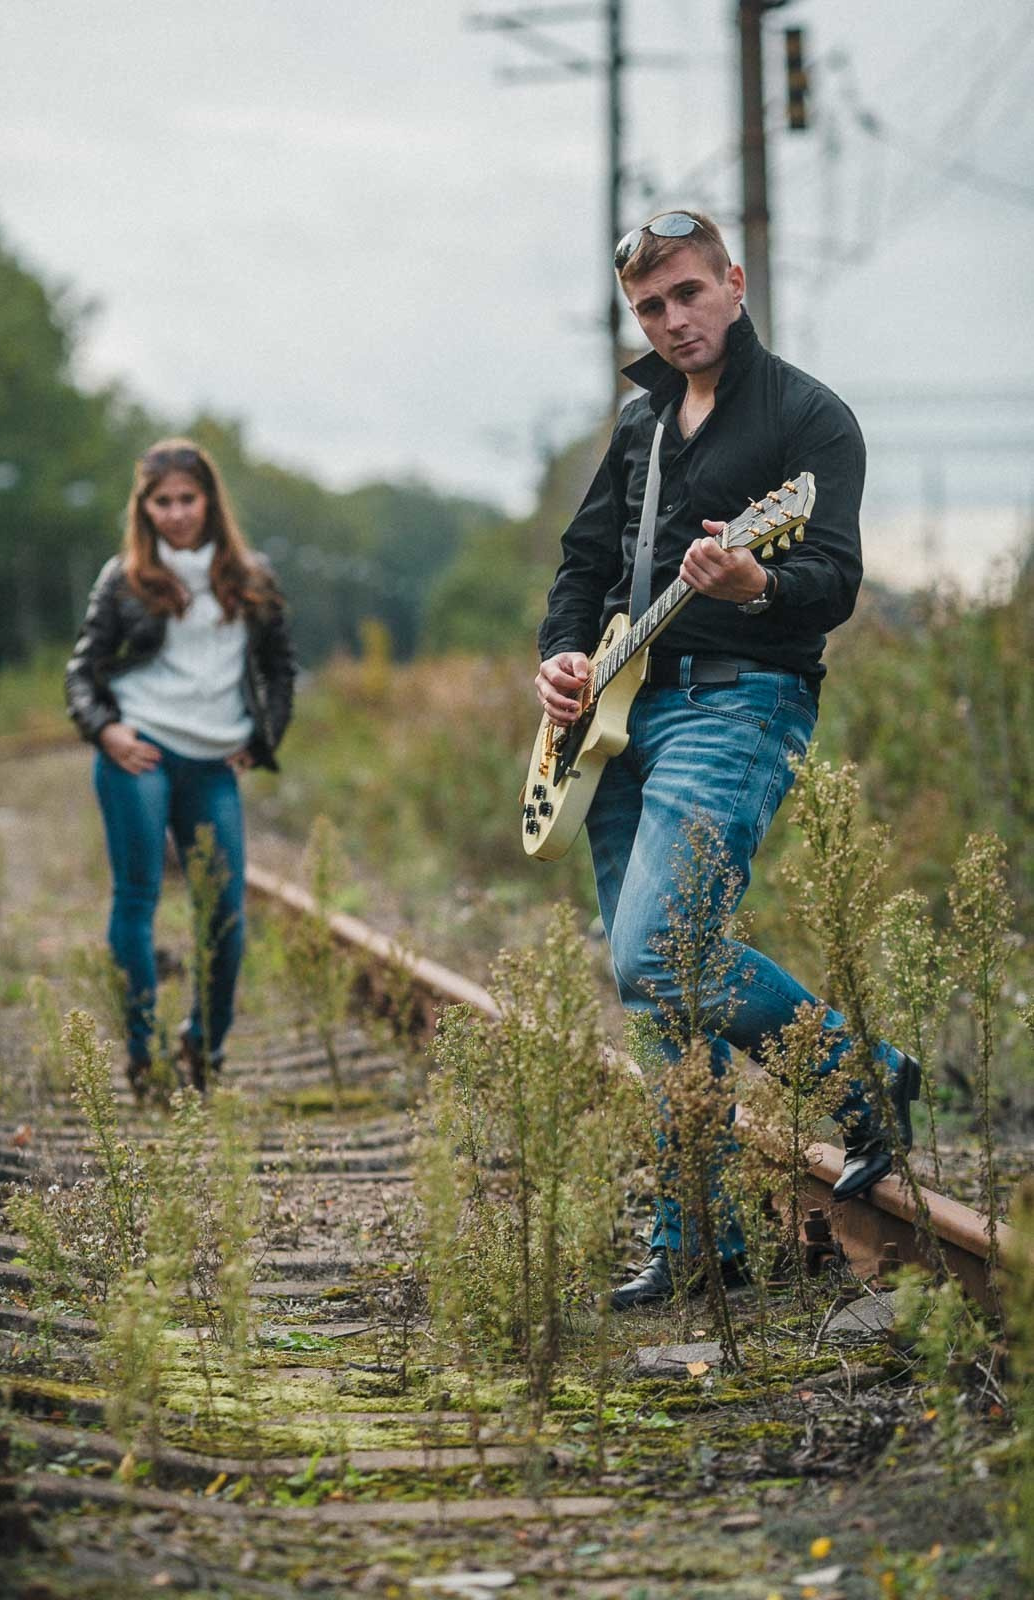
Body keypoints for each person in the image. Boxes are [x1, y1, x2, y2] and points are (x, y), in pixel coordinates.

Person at [534, 211, 920, 1311]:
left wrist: (758, 585)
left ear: (733, 283)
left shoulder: (807, 419)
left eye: (688, 294)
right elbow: (582, 563)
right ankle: (696, 1236)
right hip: (615, 713)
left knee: (660, 945)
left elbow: (832, 577)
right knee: (651, 988)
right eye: (650, 307)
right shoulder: (639, 420)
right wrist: (562, 652)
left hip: (737, 704)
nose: (671, 320)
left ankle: (864, 1080)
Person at [65, 438, 296, 1098]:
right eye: (161, 502)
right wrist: (106, 729)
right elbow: (83, 671)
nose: (175, 513)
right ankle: (143, 1055)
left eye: (186, 499)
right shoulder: (124, 578)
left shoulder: (251, 575)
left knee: (224, 913)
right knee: (136, 899)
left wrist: (262, 737)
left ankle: (205, 1044)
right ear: (143, 507)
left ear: (209, 500)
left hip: (212, 763)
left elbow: (281, 670)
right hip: (139, 754)